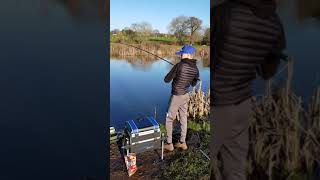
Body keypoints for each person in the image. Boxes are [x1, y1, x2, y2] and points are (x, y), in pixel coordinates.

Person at [211, 0, 286, 179]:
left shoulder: (226, 11)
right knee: (236, 169)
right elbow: (267, 72)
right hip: (243, 104)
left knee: (200, 160)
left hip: (217, 104)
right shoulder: (275, 23)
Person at [163, 45, 200, 151]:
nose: (180, 55)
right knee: (183, 118)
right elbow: (193, 83)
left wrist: (174, 70)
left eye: (182, 54)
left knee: (169, 119)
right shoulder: (196, 68)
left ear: (188, 55)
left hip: (176, 96)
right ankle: (182, 142)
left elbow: (166, 79)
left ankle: (169, 144)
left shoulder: (179, 65)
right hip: (185, 95)